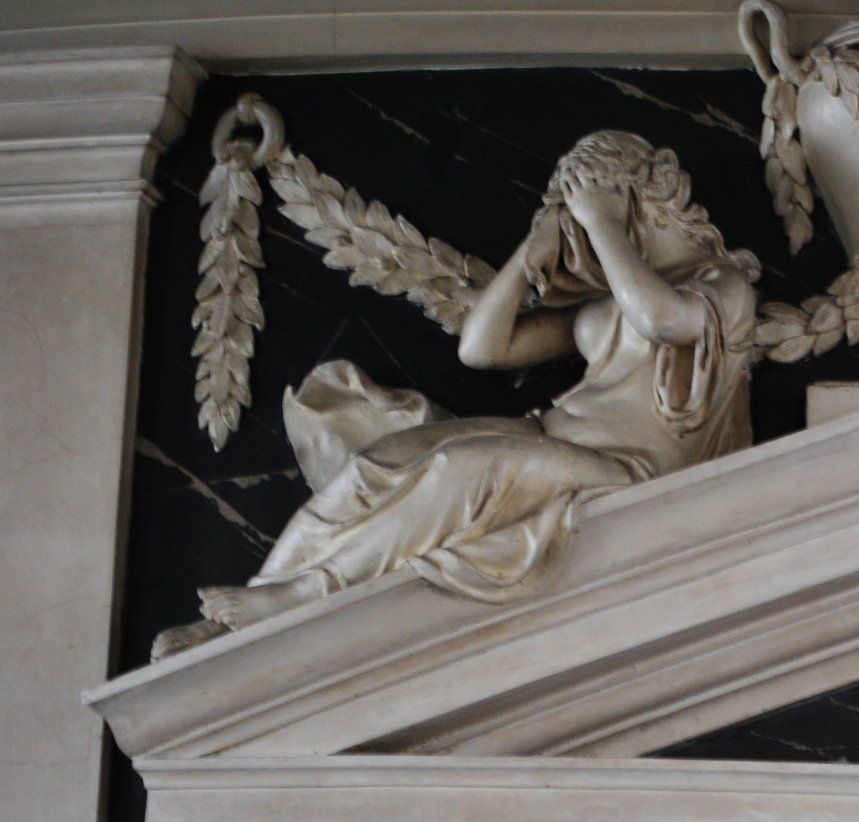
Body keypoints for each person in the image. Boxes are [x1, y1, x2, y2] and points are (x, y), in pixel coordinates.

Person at [155, 130, 759, 660]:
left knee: (459, 469)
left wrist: (600, 218)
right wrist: (532, 251)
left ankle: (313, 594)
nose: (584, 236)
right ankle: (256, 605)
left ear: (632, 198)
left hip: (631, 474)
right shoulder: (603, 304)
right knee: (383, 459)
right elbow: (483, 347)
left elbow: (659, 319)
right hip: (550, 441)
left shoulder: (722, 286)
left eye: (591, 211)